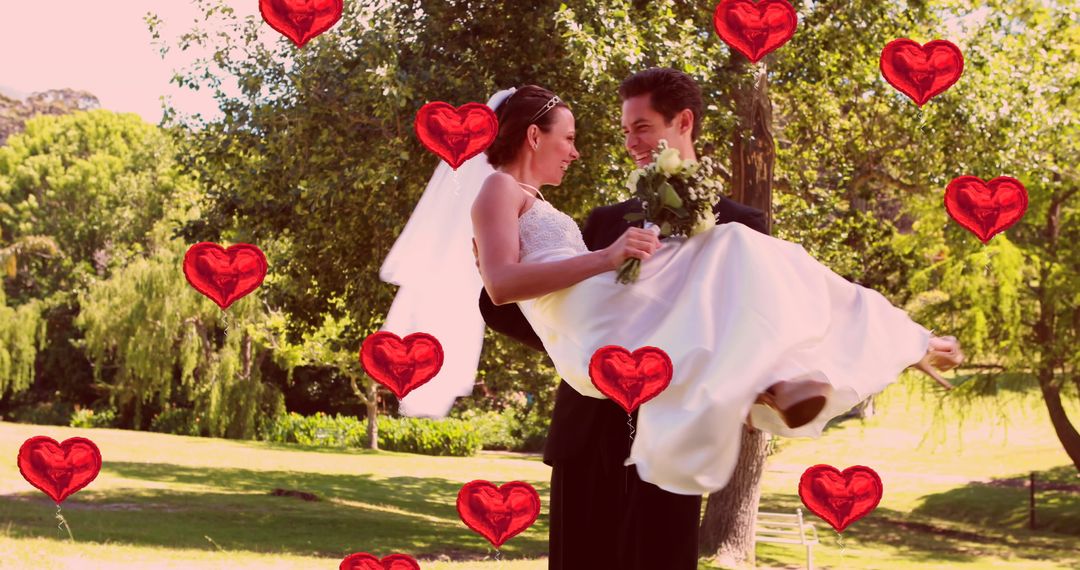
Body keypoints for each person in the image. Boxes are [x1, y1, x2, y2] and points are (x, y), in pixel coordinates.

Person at [469, 73, 964, 499]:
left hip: (672, 408)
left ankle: (851, 356)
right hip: (592, 415)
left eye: (640, 127)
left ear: (682, 123)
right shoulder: (549, 205)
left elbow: (759, 309)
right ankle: (797, 373)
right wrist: (604, 263)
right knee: (729, 248)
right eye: (572, 138)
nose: (580, 150)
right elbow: (505, 292)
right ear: (535, 136)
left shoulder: (541, 202)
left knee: (737, 246)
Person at [476, 71, 771, 570]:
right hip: (588, 433)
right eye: (625, 132)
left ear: (683, 122)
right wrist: (585, 353)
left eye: (642, 128)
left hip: (673, 438)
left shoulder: (743, 227)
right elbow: (506, 305)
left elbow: (752, 323)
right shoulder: (605, 223)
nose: (631, 143)